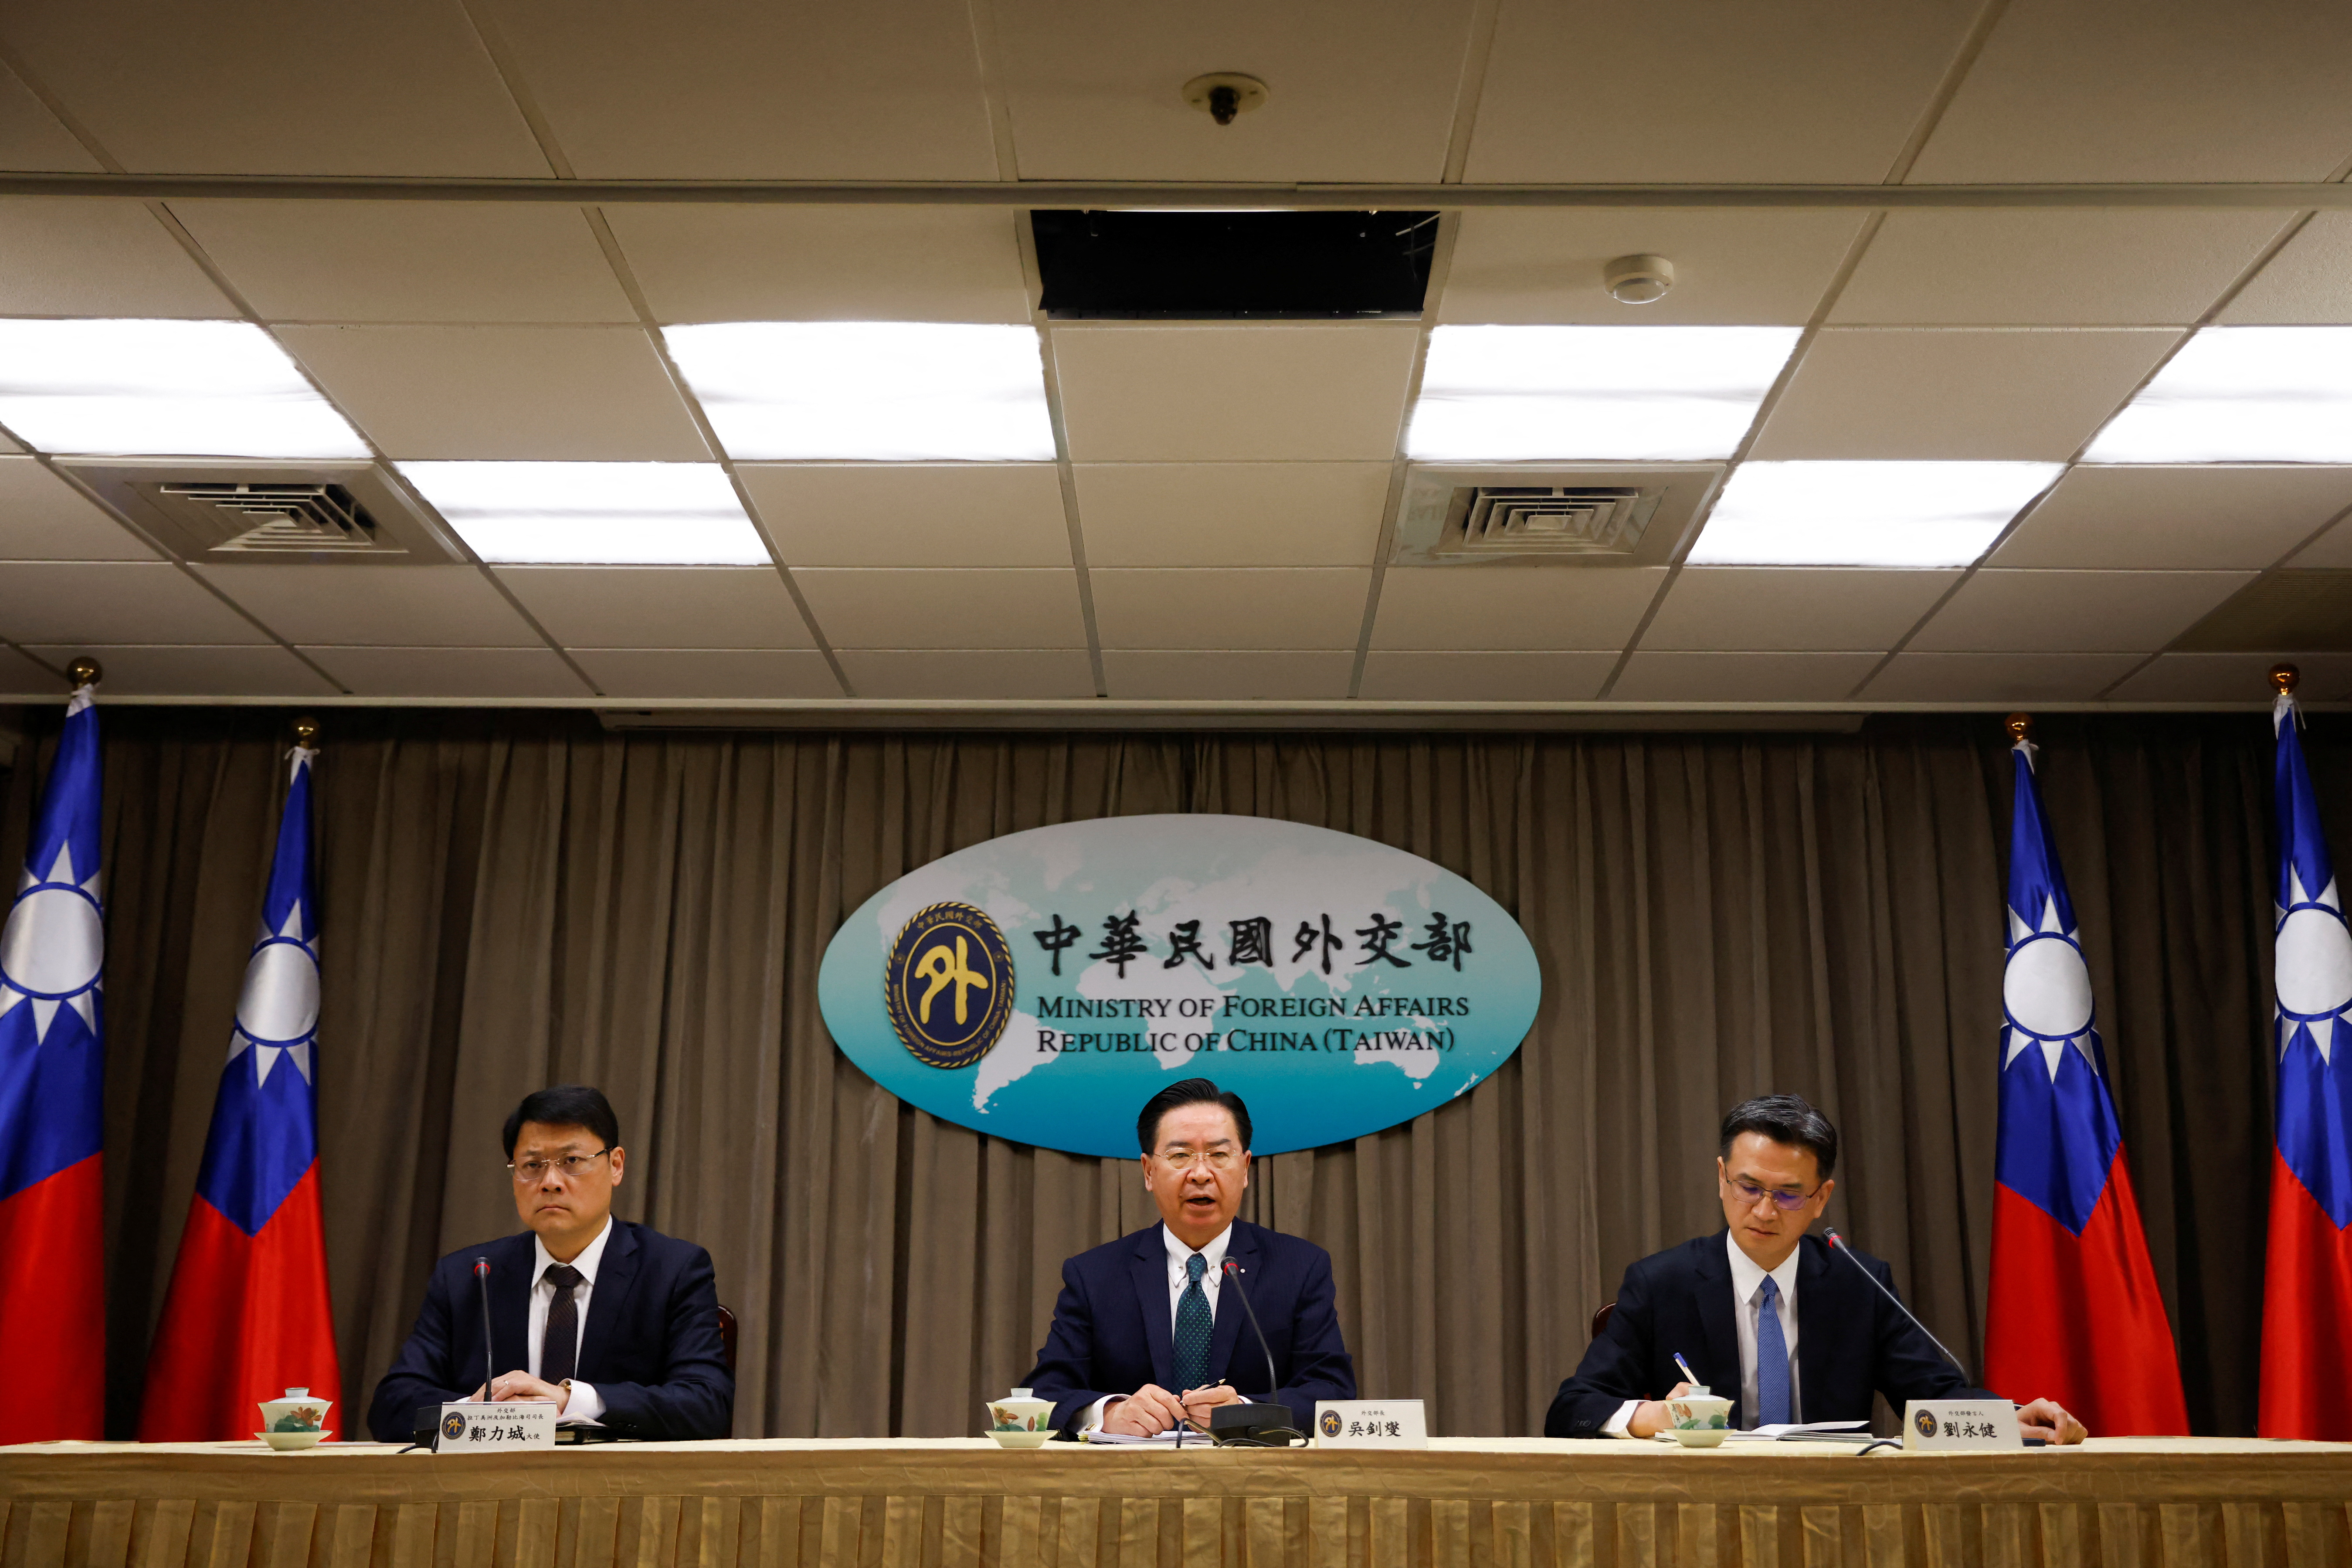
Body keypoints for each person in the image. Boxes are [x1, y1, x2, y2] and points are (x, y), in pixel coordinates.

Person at [1546, 1093, 2089, 1444]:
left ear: (1821, 1197)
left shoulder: (1860, 1283)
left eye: (1787, 1195)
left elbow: (1936, 1398)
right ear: (1721, 1178)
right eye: (1749, 1186)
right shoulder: (1660, 1283)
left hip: (1834, 1508)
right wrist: (1652, 1416)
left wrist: (2012, 1418)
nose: (1762, 1210)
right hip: (1698, 1509)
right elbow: (1573, 1409)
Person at [365, 1085, 733, 1442]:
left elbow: (706, 1404)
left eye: (571, 1161)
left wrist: (569, 1401)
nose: (550, 1182)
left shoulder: (672, 1270)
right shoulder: (469, 1275)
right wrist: (480, 1412)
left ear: (616, 1166)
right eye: (532, 1165)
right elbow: (391, 1405)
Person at [1023, 1077, 1356, 1437]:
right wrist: (1107, 1413)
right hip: (1129, 1484)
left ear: (1244, 1169)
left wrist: (1246, 1412)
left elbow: (1332, 1393)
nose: (1200, 1174)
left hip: (1258, 1482)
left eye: (1218, 1155)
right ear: (1149, 1171)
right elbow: (1046, 1394)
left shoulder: (1299, 1267)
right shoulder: (1094, 1275)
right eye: (1180, 1156)